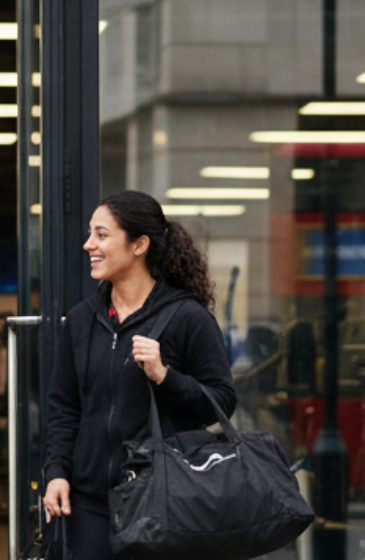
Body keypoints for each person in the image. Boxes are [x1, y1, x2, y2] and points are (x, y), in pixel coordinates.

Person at [41, 190, 237, 560]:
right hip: (88, 503)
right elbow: (64, 408)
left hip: (162, 503)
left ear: (139, 245)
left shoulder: (188, 318)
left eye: (101, 235)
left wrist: (165, 376)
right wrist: (56, 473)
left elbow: (222, 401)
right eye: (89, 234)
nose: (88, 245)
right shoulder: (83, 319)